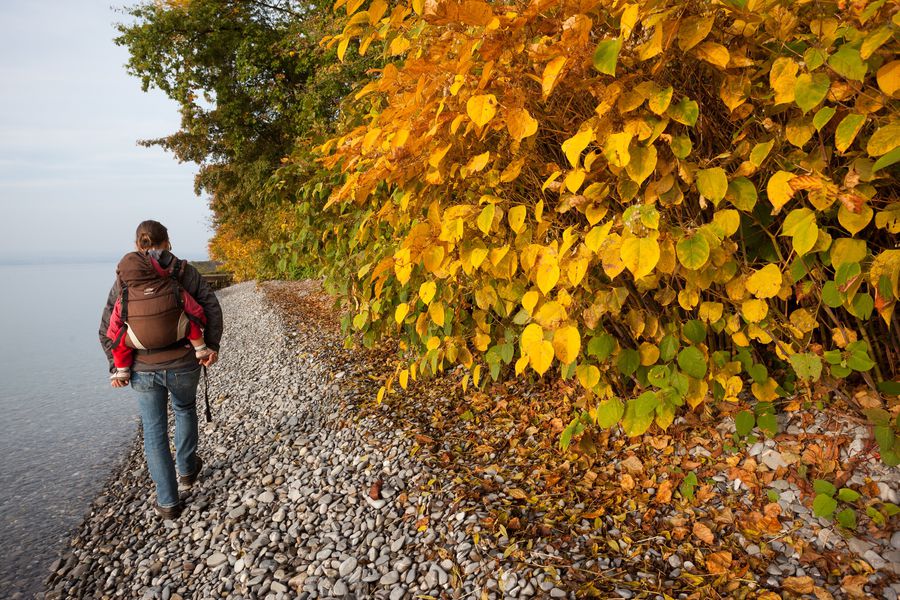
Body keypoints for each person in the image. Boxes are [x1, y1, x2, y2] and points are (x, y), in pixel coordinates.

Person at [99, 220, 223, 519]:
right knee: (185, 410)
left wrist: (117, 365)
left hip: (142, 367)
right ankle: (187, 471)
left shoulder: (126, 278)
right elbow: (210, 307)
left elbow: (108, 327)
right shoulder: (183, 271)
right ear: (167, 241)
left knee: (154, 431)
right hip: (184, 360)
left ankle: (168, 502)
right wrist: (211, 345)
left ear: (137, 244)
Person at [105, 250, 214, 383]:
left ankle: (122, 369)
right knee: (191, 323)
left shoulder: (124, 297)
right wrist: (201, 323)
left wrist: (113, 337)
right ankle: (201, 349)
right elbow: (195, 310)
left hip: (139, 344)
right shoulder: (172, 287)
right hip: (177, 338)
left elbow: (113, 324)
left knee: (120, 340)